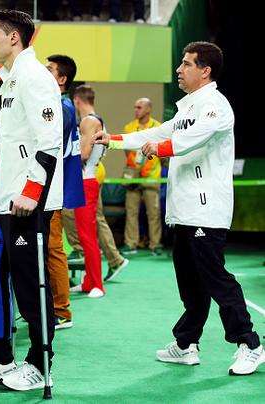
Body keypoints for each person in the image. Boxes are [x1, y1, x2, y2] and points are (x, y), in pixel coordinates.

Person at [94, 41, 264, 375]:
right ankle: (186, 344)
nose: (179, 69)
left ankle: (250, 344)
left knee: (216, 279)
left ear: (205, 71)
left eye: (186, 64)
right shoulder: (186, 108)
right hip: (184, 210)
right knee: (189, 282)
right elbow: (157, 131)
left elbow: (192, 139)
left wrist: (158, 148)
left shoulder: (215, 106)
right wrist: (111, 140)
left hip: (206, 210)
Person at [0, 10, 63, 391]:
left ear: (14, 38)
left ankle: (39, 363)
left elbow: (49, 139)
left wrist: (32, 191)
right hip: (4, 200)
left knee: (29, 284)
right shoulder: (11, 79)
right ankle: (1, 356)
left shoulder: (35, 77)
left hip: (28, 203)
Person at [45, 54, 86, 330]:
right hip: (49, 188)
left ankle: (61, 310)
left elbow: (50, 148)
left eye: (49, 70)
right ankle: (50, 306)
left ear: (62, 79)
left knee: (53, 249)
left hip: (53, 189)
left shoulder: (62, 107)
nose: (43, 73)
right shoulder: (59, 105)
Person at [68, 84, 106, 298]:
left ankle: (97, 284)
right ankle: (88, 281)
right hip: (85, 180)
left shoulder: (88, 121)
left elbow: (83, 153)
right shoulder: (94, 120)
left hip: (86, 181)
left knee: (87, 235)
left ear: (77, 100)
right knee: (84, 235)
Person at [120, 98, 163, 256]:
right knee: (131, 211)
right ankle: (130, 244)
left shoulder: (158, 127)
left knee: (153, 213)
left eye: (139, 107)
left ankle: (155, 245)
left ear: (148, 109)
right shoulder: (129, 127)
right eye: (135, 107)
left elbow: (161, 151)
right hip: (133, 176)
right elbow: (127, 151)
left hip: (152, 176)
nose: (136, 110)